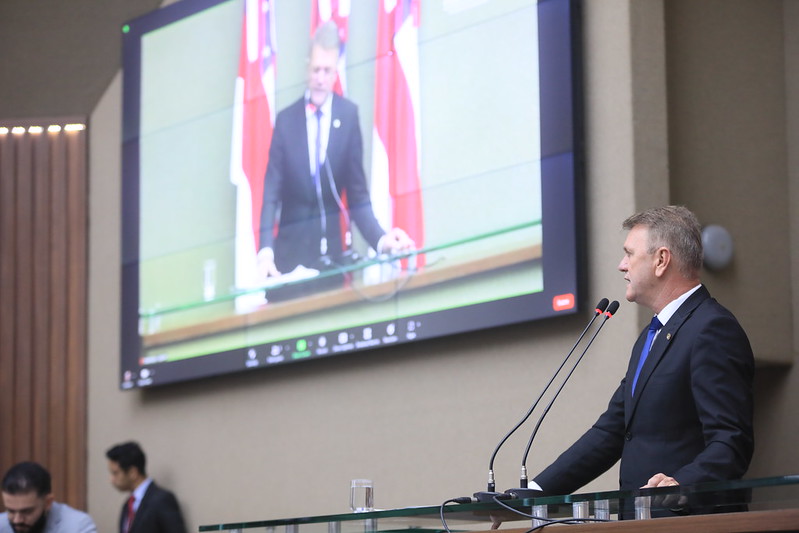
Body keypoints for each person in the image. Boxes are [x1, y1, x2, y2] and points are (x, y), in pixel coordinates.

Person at [532, 206, 755, 512]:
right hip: (642, 521)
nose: (621, 265)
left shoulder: (711, 329)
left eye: (629, 254)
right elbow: (611, 432)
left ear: (661, 260)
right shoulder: (649, 337)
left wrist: (681, 483)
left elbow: (731, 442)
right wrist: (531, 493)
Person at [257, 20, 414, 282]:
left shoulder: (348, 116)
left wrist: (382, 239)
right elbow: (271, 194)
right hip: (288, 261)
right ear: (307, 67)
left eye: (327, 71)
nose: (320, 78)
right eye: (316, 69)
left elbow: (358, 197)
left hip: (332, 261)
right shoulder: (286, 122)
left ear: (335, 71)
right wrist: (265, 251)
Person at [106, 442, 187, 533]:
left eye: (115, 473)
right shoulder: (128, 505)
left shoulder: (162, 500)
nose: (112, 479)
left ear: (133, 473)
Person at [0, 461, 96, 533]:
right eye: (11, 511)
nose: (17, 520)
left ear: (48, 502)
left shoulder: (78, 526)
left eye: (26, 512)